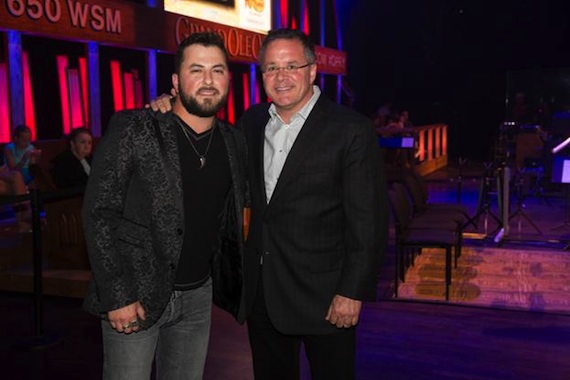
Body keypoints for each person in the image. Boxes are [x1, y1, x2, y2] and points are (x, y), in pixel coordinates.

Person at [150, 28, 388, 380]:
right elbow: (210, 147)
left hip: (325, 296)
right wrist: (173, 107)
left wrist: (351, 293)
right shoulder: (252, 121)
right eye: (271, 68)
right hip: (264, 295)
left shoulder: (351, 130)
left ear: (312, 70)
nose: (281, 77)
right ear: (261, 76)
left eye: (291, 65)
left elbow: (368, 221)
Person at [82, 32, 247, 380]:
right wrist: (117, 295)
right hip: (134, 297)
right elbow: (99, 213)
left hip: (199, 297)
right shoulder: (135, 127)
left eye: (217, 71)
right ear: (175, 81)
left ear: (228, 79)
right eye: (196, 69)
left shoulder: (234, 141)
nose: (207, 80)